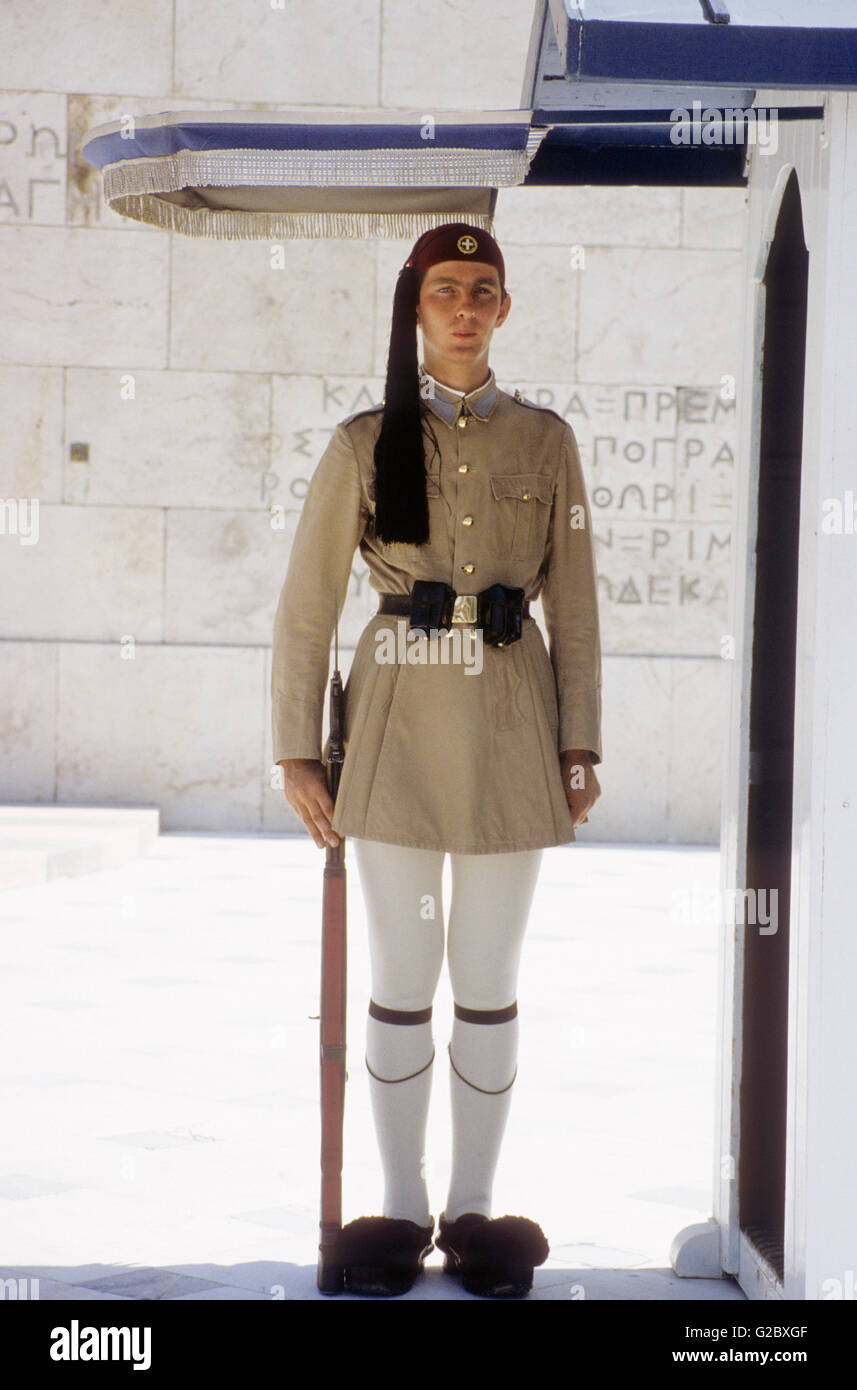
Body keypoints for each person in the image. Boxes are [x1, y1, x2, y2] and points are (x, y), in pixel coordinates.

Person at [272, 222, 602, 1298]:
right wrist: (295, 750)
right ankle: (399, 1206)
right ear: (417, 308)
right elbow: (307, 606)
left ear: (504, 310)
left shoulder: (546, 443)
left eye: (484, 290)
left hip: (510, 713)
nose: (465, 307)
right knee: (403, 978)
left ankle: (471, 1207)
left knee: (491, 979)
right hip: (400, 714)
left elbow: (579, 606)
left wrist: (577, 738)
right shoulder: (366, 441)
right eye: (445, 290)